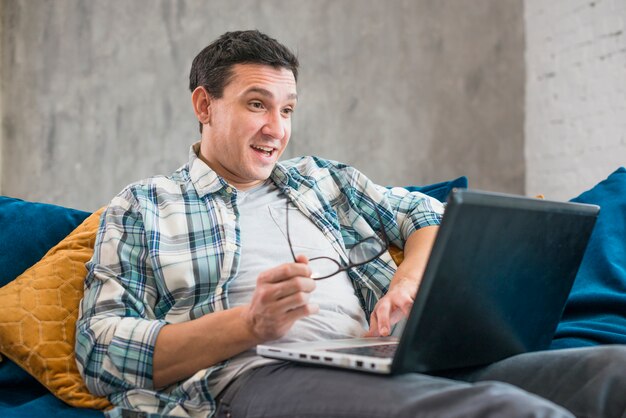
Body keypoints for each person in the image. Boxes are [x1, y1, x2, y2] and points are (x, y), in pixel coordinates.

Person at [76, 30, 626, 418]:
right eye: (257, 104)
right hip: (255, 381)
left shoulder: (321, 180)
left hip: (391, 358)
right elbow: (100, 353)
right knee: (507, 412)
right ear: (205, 104)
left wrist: (406, 285)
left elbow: (425, 215)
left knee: (613, 376)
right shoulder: (145, 206)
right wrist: (251, 325)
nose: (276, 128)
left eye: (287, 109)